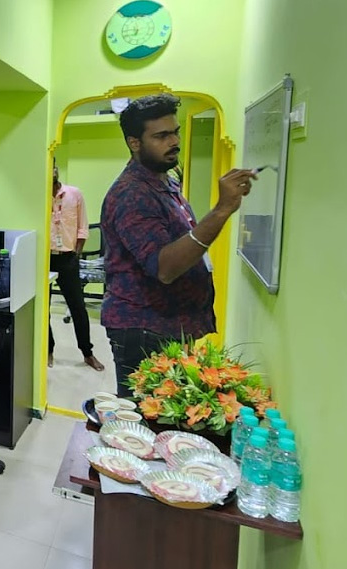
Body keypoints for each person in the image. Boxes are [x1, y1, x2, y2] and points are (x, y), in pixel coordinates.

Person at [100, 93, 256, 396]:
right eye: (161, 136)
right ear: (134, 142)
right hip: (144, 327)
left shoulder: (165, 180)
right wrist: (221, 210)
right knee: (145, 415)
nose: (173, 141)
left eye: (175, 132)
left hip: (168, 322)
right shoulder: (132, 194)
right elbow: (165, 267)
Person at [48, 164, 104, 371]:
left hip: (68, 258)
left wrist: (76, 254)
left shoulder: (74, 194)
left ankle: (87, 353)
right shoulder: (39, 196)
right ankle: (48, 350)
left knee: (78, 307)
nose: (52, 171)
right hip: (44, 258)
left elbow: (82, 227)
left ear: (57, 170)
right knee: (43, 308)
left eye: (55, 167)